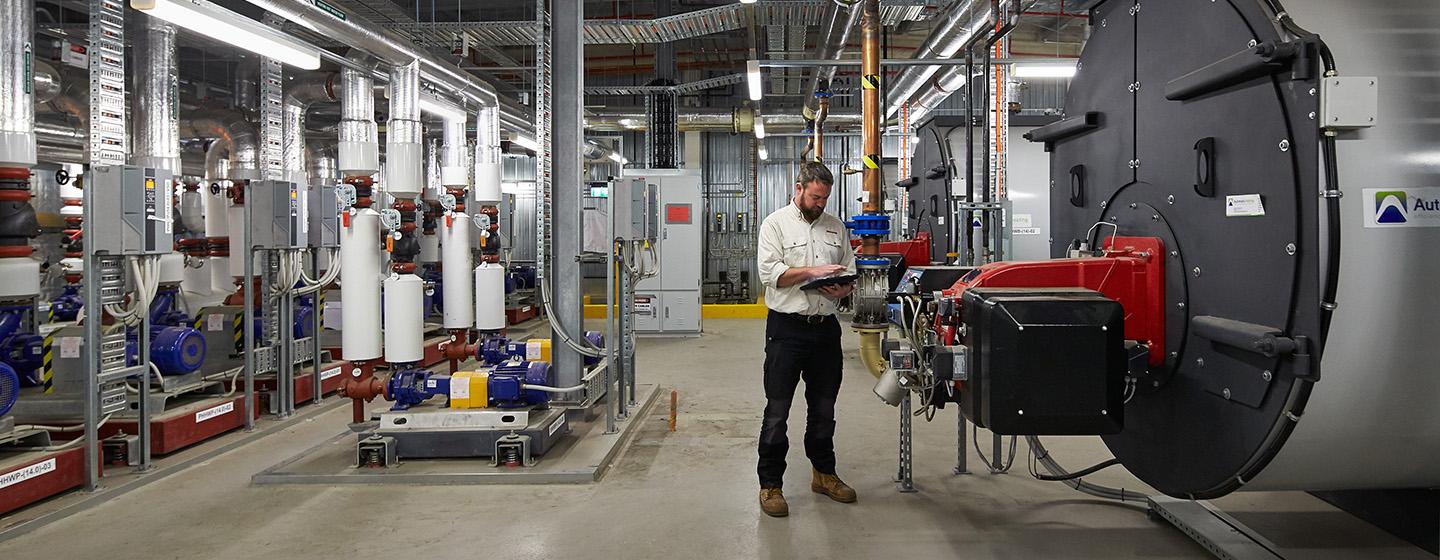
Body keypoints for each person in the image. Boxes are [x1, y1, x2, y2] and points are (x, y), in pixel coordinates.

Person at [753, 161, 857, 518]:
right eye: (815, 197)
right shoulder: (775, 224)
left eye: (825, 198)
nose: (820, 204)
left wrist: (842, 288)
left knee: (824, 410)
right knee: (777, 412)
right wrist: (812, 272)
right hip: (787, 329)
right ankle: (770, 485)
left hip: (825, 329)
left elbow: (849, 270)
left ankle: (824, 474)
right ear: (799, 189)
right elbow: (771, 275)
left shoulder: (835, 227)